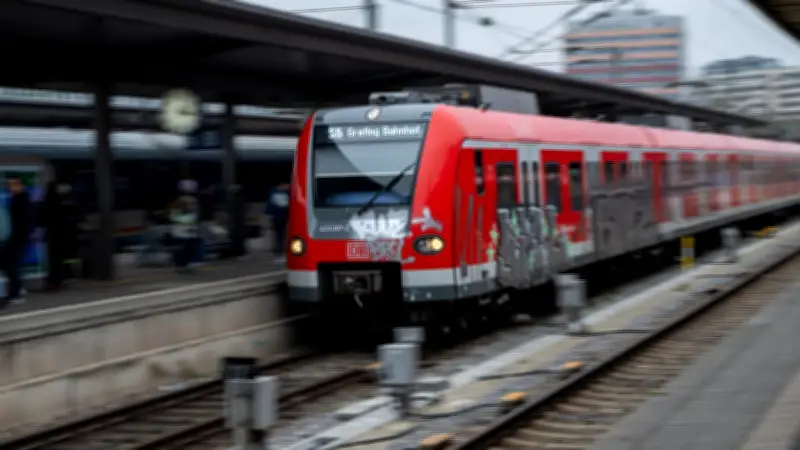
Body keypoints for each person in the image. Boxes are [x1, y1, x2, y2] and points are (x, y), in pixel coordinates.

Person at [1, 178, 31, 306]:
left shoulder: (20, 201)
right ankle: (18, 289)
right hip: (15, 237)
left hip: (15, 238)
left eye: (15, 185)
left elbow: (21, 221)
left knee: (12, 265)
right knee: (12, 265)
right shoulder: (17, 200)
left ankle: (16, 292)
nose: (11, 188)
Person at [169, 180, 201, 272]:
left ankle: (184, 263)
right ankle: (181, 264)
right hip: (183, 230)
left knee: (188, 248)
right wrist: (189, 219)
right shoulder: (181, 202)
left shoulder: (192, 202)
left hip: (188, 231)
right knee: (183, 249)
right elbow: (174, 216)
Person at [265, 182, 290, 262]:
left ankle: (281, 252)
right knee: (280, 236)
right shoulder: (278, 194)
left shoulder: (275, 193)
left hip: (281, 217)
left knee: (280, 235)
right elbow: (271, 206)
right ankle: (280, 252)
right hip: (279, 217)